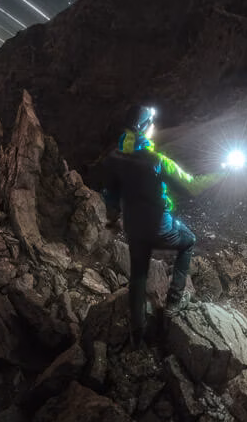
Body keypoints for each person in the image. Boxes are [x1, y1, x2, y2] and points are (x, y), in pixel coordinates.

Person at [96, 104, 228, 344]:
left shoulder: (114, 157)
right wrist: (223, 172)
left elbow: (111, 195)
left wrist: (113, 219)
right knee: (189, 242)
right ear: (145, 128)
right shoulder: (157, 161)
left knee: (138, 276)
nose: (155, 127)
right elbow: (192, 186)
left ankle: (138, 335)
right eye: (152, 124)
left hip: (133, 229)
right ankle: (173, 303)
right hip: (160, 228)